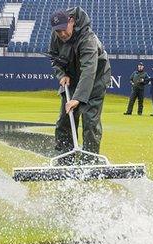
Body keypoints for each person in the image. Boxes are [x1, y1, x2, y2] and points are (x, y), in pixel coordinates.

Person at [48, 7, 111, 159]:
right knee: (64, 120)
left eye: (64, 29)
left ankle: (89, 162)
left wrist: (78, 98)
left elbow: (89, 69)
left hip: (95, 79)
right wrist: (61, 74)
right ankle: (64, 160)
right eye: (58, 31)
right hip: (71, 79)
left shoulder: (87, 38)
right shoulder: (56, 35)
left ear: (71, 21)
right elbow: (53, 57)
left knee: (90, 122)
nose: (62, 34)